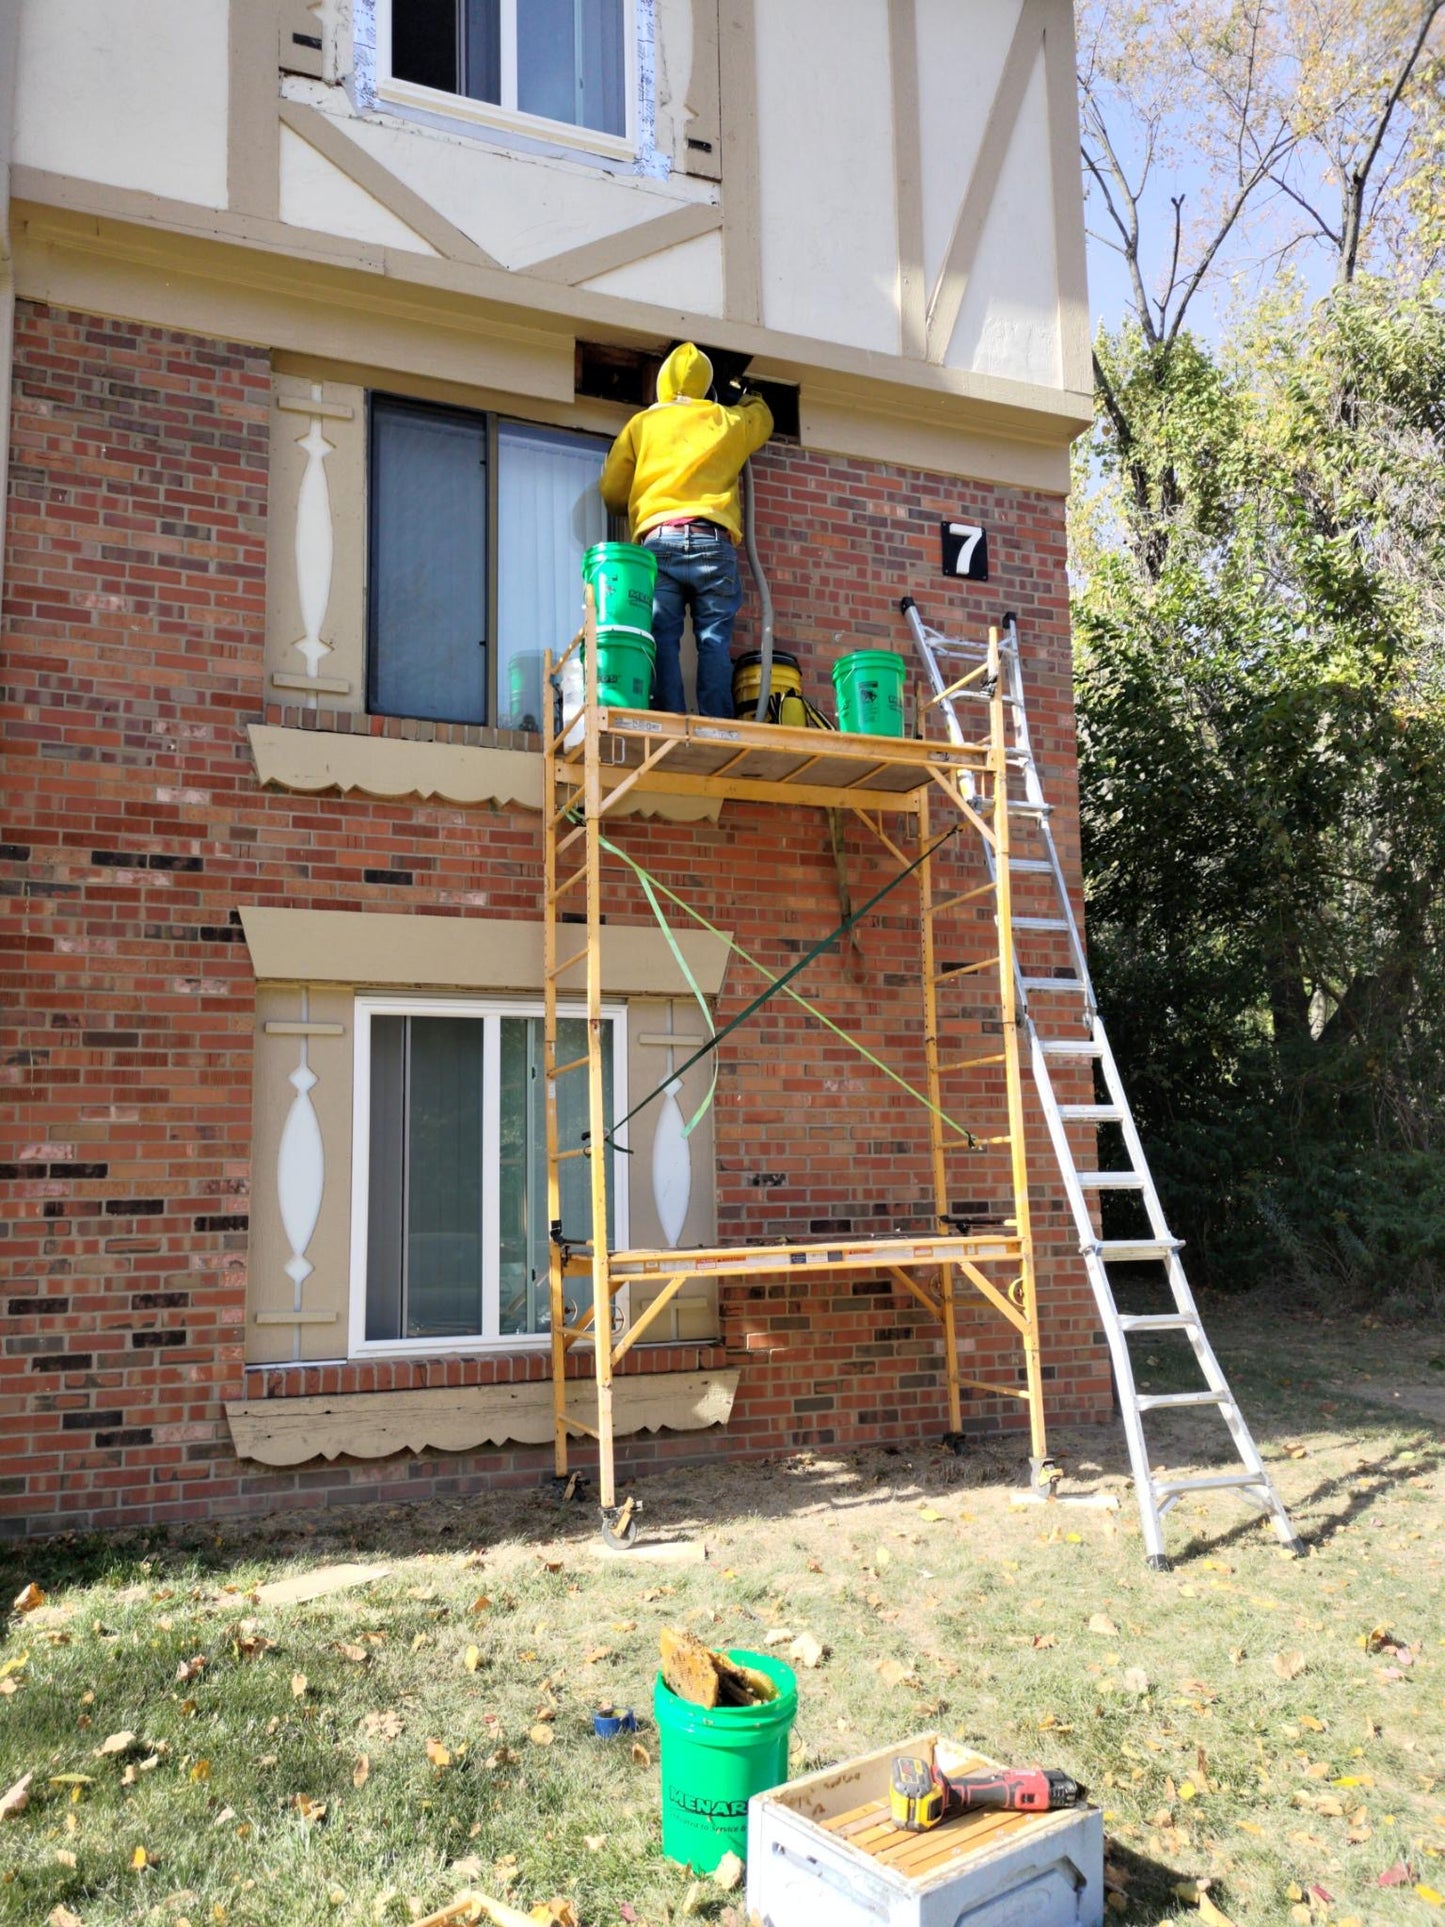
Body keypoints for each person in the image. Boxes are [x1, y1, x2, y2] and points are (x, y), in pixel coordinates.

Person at [599, 342, 773, 717]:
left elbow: (612, 493)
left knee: (662, 638)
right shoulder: (726, 421)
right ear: (707, 387)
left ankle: (669, 717)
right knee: (713, 641)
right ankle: (716, 721)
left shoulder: (642, 425)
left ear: (661, 385)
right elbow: (763, 417)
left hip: (659, 543)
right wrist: (746, 396)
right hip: (714, 543)